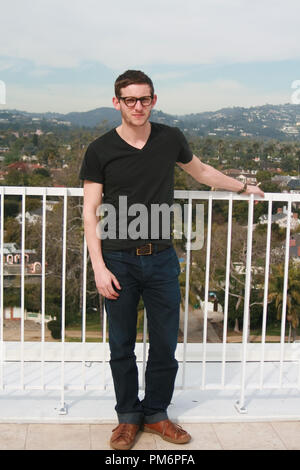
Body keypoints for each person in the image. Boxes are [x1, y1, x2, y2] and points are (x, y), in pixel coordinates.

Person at [79, 70, 264, 450]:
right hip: (117, 260)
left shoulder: (170, 138)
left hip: (162, 259)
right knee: (121, 344)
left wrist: (243, 187)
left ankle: (158, 414)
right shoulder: (99, 149)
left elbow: (201, 172)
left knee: (165, 342)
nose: (137, 106)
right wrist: (98, 265)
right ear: (117, 103)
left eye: (144, 99)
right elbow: (90, 210)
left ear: (154, 100)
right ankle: (128, 418)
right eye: (129, 99)